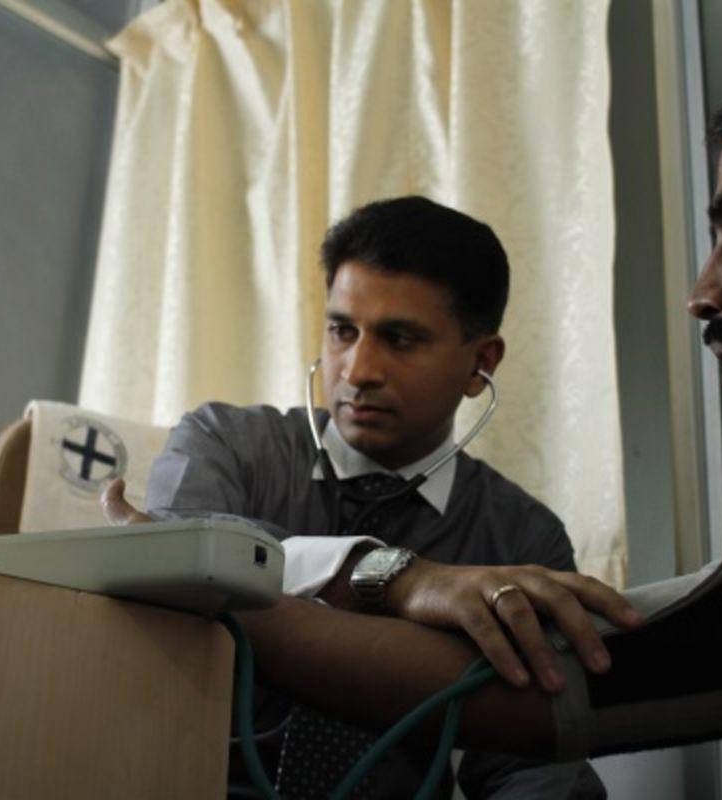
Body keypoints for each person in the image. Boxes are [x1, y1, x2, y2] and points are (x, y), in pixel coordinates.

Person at [125, 11, 722, 799]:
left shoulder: (519, 538)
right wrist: (371, 577)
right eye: (342, 330)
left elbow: (542, 730)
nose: (701, 291)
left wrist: (215, 588)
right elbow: (583, 683)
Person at [104, 196, 624, 798]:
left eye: (399, 339)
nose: (357, 370)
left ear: (481, 363)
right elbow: (190, 562)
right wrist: (401, 579)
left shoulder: (522, 541)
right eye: (342, 331)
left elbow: (533, 763)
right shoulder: (226, 445)